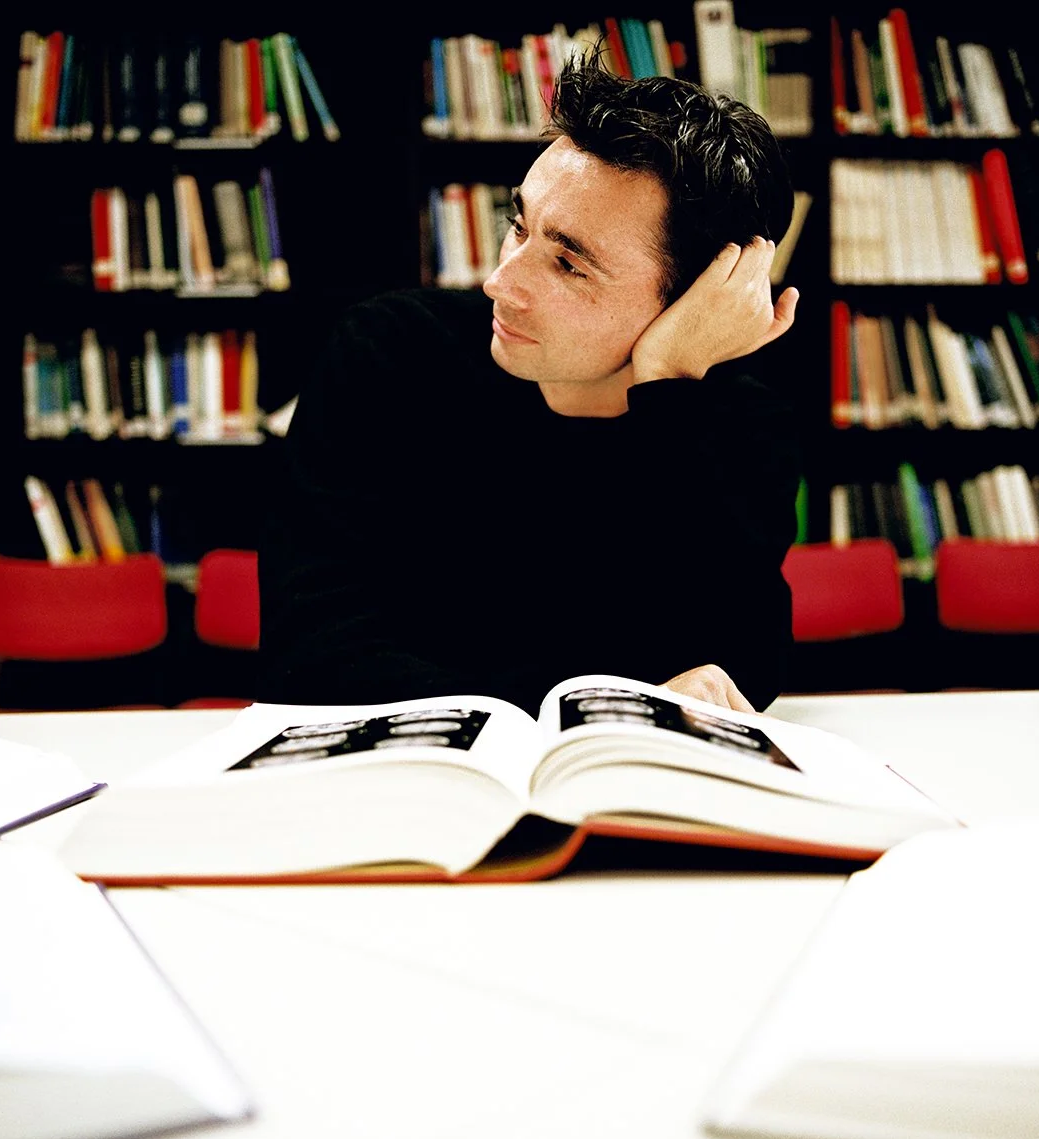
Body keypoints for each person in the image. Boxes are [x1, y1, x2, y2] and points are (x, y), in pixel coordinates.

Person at [257, 50, 801, 717]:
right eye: (518, 226)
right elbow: (308, 656)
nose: (500, 282)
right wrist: (596, 699)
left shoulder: (735, 420)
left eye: (570, 265)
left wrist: (669, 389)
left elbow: (738, 667)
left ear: (697, 298)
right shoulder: (389, 355)